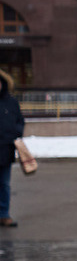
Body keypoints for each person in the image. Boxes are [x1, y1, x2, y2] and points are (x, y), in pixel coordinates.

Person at [0, 69, 24, 228]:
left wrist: (16, 133)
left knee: (4, 184)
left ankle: (4, 215)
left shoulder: (11, 102)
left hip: (5, 149)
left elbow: (19, 121)